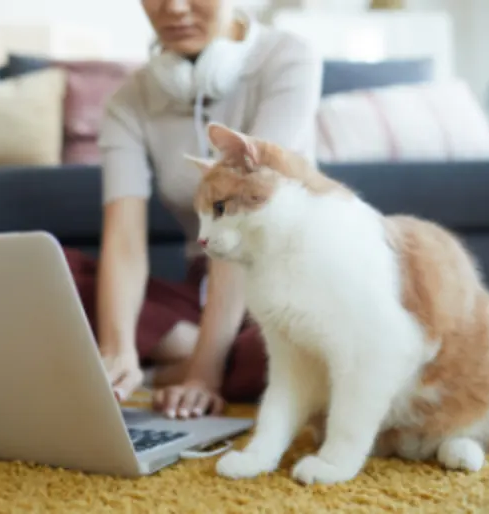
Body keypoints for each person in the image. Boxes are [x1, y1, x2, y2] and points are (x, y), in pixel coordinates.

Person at [73, 0, 322, 419]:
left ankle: (188, 359)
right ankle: (191, 349)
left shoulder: (287, 57)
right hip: (202, 289)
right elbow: (125, 239)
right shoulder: (128, 102)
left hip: (285, 285)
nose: (173, 8)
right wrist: (115, 352)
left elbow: (244, 221)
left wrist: (203, 374)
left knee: (308, 347)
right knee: (57, 276)